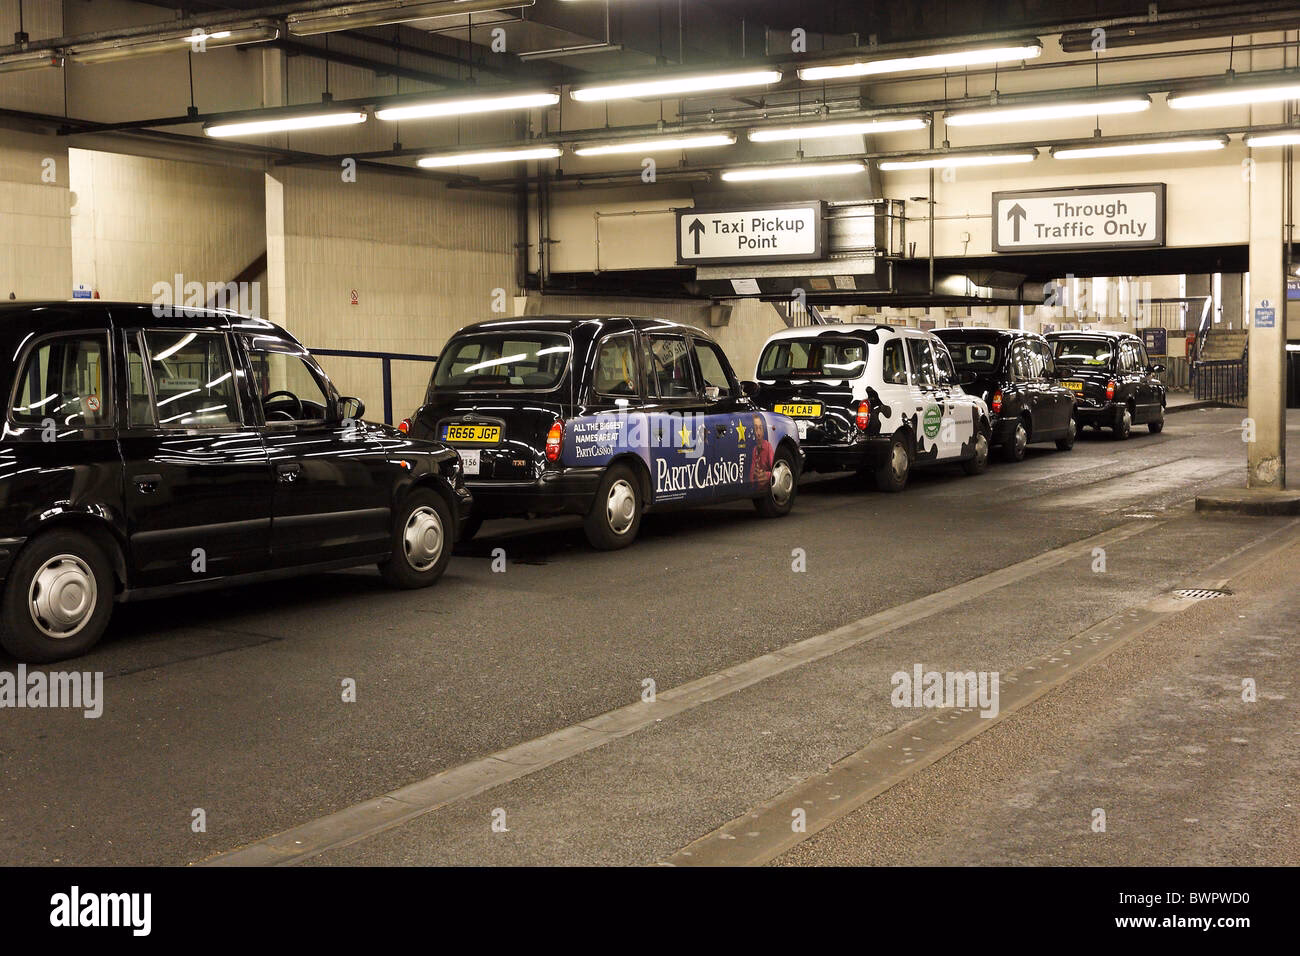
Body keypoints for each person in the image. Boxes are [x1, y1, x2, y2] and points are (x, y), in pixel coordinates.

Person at [749, 413, 775, 486]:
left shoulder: (768, 447)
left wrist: (766, 475)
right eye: (755, 429)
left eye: (760, 428)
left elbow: (775, 471)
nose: (758, 433)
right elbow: (751, 478)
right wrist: (755, 475)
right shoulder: (755, 450)